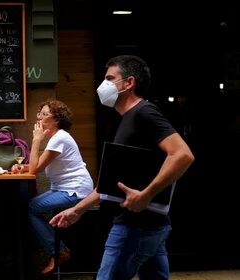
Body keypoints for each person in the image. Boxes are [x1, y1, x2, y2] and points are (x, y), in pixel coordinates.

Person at [50, 55, 195, 280]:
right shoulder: (126, 119)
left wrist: (146, 194)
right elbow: (108, 186)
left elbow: (182, 154)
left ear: (129, 83)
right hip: (150, 225)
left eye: (109, 78)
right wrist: (76, 210)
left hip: (134, 226)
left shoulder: (144, 113)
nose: (103, 85)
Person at [12, 99, 93, 275]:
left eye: (44, 114)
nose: (39, 117)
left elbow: (35, 168)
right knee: (30, 207)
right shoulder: (56, 138)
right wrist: (22, 167)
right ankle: (57, 249)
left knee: (30, 208)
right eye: (39, 113)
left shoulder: (59, 138)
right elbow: (37, 165)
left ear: (56, 119)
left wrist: (36, 140)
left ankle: (58, 251)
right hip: (62, 188)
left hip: (75, 189)